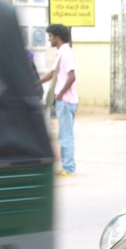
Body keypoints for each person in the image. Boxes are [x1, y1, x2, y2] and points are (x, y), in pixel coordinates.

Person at [36, 23, 78, 177]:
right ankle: (67, 167)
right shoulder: (61, 53)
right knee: (64, 135)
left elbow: (72, 76)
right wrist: (35, 83)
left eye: (50, 36)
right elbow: (52, 74)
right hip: (64, 101)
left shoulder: (66, 53)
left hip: (66, 101)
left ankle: (68, 168)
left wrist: (60, 94)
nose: (49, 40)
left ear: (57, 37)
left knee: (65, 136)